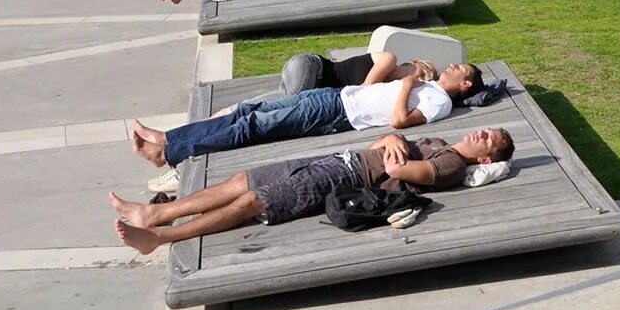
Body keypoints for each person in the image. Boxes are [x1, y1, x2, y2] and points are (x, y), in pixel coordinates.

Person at [109, 126, 515, 256]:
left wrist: (395, 147)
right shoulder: (442, 142)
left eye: (488, 140)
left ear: (485, 159)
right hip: (341, 160)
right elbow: (386, 144)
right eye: (488, 130)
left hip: (348, 179)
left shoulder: (451, 163)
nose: (482, 132)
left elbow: (401, 169)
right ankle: (159, 212)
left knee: (256, 201)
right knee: (243, 181)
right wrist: (393, 135)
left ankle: (159, 237)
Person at [127, 54, 480, 168]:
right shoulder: (429, 89)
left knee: (253, 126)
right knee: (248, 110)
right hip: (335, 95)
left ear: (465, 85)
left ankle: (169, 148)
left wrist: (405, 86)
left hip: (336, 114)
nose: (454, 67)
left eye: (461, 71)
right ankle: (169, 141)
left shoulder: (440, 101)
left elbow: (399, 121)